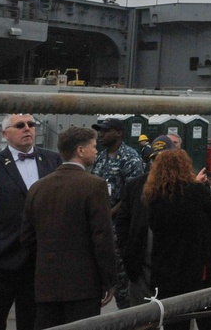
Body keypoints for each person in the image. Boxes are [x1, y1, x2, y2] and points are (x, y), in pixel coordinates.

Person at [0, 114, 63, 330]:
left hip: (39, 262)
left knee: (36, 322)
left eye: (31, 125)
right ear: (5, 134)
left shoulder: (52, 161)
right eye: (20, 125)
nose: (27, 129)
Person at [20, 126, 117, 328]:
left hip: (46, 285)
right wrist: (109, 280)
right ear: (80, 151)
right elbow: (102, 238)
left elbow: (27, 238)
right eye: (93, 146)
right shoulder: (94, 185)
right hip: (83, 286)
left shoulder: (37, 188)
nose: (96, 150)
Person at [144, 148, 211, 330]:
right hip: (201, 272)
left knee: (175, 324)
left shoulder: (154, 198)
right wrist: (202, 188)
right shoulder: (196, 192)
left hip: (168, 275)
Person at [114, 135, 177, 306]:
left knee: (177, 320)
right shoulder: (135, 186)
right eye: (155, 159)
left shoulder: (185, 186)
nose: (159, 164)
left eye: (164, 159)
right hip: (141, 270)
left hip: (175, 270)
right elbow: (122, 222)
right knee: (143, 321)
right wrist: (128, 252)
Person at [91, 117, 145, 309]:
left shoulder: (131, 158)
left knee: (123, 283)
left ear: (119, 133)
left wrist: (109, 214)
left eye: (105, 130)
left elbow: (134, 196)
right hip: (100, 225)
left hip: (120, 227)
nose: (101, 134)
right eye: (100, 131)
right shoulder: (100, 157)